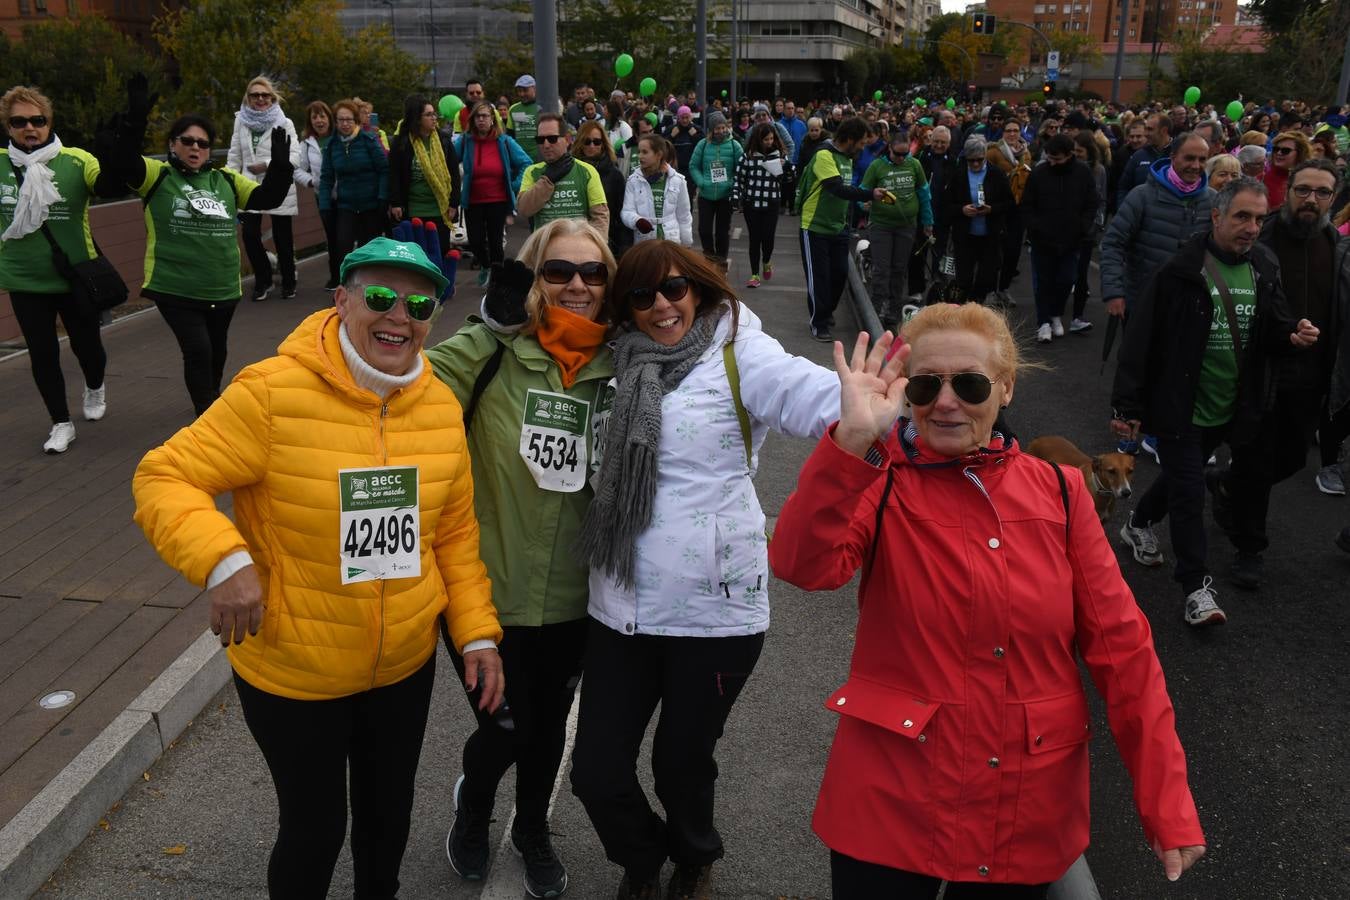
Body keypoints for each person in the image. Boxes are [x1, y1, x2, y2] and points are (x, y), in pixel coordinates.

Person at [769, 304, 1208, 897]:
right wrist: (851, 445)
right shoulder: (880, 478)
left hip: (1024, 808)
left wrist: (1166, 800)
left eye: (970, 384)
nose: (945, 401)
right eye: (926, 385)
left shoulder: (1061, 491)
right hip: (890, 805)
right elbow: (802, 566)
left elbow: (1124, 652)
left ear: (1004, 388)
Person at [131, 236, 504, 899]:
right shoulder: (272, 393)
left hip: (402, 665)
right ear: (342, 301)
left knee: (388, 820)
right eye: (381, 298)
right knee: (315, 827)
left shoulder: (441, 405)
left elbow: (451, 533)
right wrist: (224, 560)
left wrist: (476, 633)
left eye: (419, 304)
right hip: (295, 670)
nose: (399, 317)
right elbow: (166, 477)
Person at [568, 240, 839, 900]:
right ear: (625, 309)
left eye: (673, 289)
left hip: (714, 607)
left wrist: (877, 405)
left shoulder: (737, 346)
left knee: (680, 762)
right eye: (641, 296)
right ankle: (641, 854)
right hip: (620, 603)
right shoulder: (613, 358)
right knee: (596, 771)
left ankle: (693, 855)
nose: (661, 305)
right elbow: (545, 329)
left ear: (699, 288)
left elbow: (808, 396)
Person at [426, 219, 615, 897]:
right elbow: (403, 386)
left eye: (593, 274)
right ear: (531, 279)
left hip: (573, 596)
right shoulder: (491, 352)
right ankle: (474, 806)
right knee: (506, 730)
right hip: (485, 592)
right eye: (557, 271)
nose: (576, 285)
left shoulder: (622, 368)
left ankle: (532, 827)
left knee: (543, 735)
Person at [1112, 178, 1318, 627]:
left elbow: (1274, 324)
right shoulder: (1181, 269)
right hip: (1179, 404)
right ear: (1217, 217)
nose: (1251, 227)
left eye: (1259, 218)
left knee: (1180, 477)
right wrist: (1127, 407)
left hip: (1233, 405)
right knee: (1188, 492)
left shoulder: (1263, 264)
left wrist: (1292, 334)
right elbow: (1141, 339)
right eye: (1242, 216)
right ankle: (1195, 587)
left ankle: (1137, 524)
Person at [100, 104, 293, 415]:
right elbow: (125, 163)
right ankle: (206, 413)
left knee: (217, 351)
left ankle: (211, 398)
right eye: (187, 141)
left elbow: (267, 199)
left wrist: (282, 168)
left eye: (203, 143)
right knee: (198, 349)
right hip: (175, 285)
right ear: (173, 145)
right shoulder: (157, 175)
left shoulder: (225, 180)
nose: (195, 148)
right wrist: (135, 122)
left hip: (221, 287)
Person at [1208, 159, 1345, 588]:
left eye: (1322, 192)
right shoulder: (1260, 240)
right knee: (1256, 456)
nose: (1311, 199)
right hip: (1263, 372)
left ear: (1333, 198)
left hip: (1314, 377)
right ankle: (1250, 548)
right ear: (1288, 192)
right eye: (1303, 190)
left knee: (1289, 459)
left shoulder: (1336, 248)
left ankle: (1228, 483)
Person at [0, 84, 123, 453]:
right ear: (8, 127)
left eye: (37, 120)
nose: (29, 128)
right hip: (24, 278)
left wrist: (114, 150)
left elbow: (111, 187)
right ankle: (60, 423)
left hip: (74, 275)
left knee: (88, 348)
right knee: (42, 353)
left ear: (49, 121)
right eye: (19, 121)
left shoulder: (76, 160)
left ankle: (95, 384)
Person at [797, 117, 889, 341]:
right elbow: (837, 188)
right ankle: (819, 323)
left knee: (840, 274)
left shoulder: (848, 158)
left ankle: (826, 312)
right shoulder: (824, 155)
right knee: (819, 278)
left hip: (838, 227)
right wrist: (869, 194)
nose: (862, 148)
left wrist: (860, 202)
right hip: (815, 226)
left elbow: (849, 190)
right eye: (860, 143)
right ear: (849, 139)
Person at [227, 76, 302, 302]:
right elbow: (234, 155)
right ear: (247, 98)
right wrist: (228, 181)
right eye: (254, 95)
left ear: (272, 98)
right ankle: (264, 279)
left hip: (278, 185)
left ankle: (289, 280)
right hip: (249, 185)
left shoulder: (284, 122)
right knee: (249, 235)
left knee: (282, 238)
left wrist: (268, 165)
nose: (260, 99)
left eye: (264, 95)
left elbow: (296, 158)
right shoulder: (240, 121)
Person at [860, 128, 932, 329]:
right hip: (882, 225)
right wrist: (863, 203)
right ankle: (875, 309)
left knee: (899, 269)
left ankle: (893, 310)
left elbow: (924, 194)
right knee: (882, 269)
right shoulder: (877, 166)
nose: (901, 158)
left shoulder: (914, 165)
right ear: (889, 148)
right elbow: (863, 191)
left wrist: (928, 221)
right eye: (897, 154)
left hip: (906, 225)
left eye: (905, 153)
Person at [454, 100, 533, 284]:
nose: (481, 120)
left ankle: (496, 279)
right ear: (472, 120)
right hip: (473, 199)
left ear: (492, 119)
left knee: (496, 242)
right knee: (475, 241)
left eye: (485, 116)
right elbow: (448, 161)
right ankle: (485, 265)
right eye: (477, 117)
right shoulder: (465, 141)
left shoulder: (504, 141)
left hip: (498, 200)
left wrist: (513, 185)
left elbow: (526, 163)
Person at [387, 94, 463, 259]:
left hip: (439, 209)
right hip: (414, 209)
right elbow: (394, 174)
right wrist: (396, 202)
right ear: (416, 118)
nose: (434, 118)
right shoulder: (401, 142)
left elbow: (454, 173)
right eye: (428, 114)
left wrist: (454, 203)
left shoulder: (443, 140)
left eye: (434, 113)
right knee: (417, 257)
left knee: (439, 254)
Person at [945, 136, 1013, 305]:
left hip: (990, 235)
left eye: (979, 160)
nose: (975, 164)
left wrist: (992, 209)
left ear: (985, 156)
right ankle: (965, 308)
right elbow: (946, 204)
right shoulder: (958, 174)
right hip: (965, 235)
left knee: (986, 277)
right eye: (971, 161)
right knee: (964, 278)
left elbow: (1010, 203)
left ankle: (977, 304)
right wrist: (962, 210)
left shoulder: (996, 174)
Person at [320, 98, 389, 264]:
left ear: (355, 120)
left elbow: (384, 169)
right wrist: (324, 206)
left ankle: (370, 286)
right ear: (335, 122)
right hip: (346, 205)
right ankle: (346, 285)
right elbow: (326, 177)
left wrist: (382, 197)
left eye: (348, 119)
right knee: (342, 247)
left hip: (371, 204)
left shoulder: (368, 140)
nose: (345, 124)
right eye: (341, 120)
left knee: (370, 251)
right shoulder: (332, 146)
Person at [517, 113, 609, 233]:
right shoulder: (532, 172)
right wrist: (547, 180)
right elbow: (524, 210)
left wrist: (594, 248)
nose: (546, 145)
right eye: (540, 140)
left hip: (578, 247)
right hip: (545, 248)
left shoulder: (587, 171)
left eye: (552, 139)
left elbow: (601, 217)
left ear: (567, 139)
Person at [732, 122, 789, 289]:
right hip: (752, 203)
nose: (769, 142)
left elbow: (788, 180)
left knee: (768, 238)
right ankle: (754, 274)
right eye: (766, 139)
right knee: (754, 239)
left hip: (772, 202)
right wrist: (735, 197)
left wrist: (786, 167)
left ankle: (766, 261)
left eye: (771, 139)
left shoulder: (780, 156)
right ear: (758, 139)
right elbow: (739, 179)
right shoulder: (747, 157)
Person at [293, 100, 341, 290]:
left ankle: (350, 276)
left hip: (346, 195)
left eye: (322, 116)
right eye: (314, 117)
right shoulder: (305, 144)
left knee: (344, 237)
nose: (319, 121)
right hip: (322, 196)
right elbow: (297, 170)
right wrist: (311, 181)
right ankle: (335, 276)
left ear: (329, 118)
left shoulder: (339, 138)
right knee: (332, 236)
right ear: (310, 121)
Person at [688, 111, 743, 268]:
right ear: (711, 130)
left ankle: (721, 263)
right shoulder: (703, 144)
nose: (720, 131)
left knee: (722, 232)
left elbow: (742, 168)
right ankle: (709, 257)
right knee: (704, 230)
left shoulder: (734, 145)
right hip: (706, 194)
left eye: (723, 127)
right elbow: (693, 166)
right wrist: (701, 182)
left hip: (725, 196)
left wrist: (732, 183)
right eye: (717, 128)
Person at [988, 118, 1033, 307]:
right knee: (994, 251)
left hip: (1019, 208)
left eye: (1016, 130)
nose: (1013, 134)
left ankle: (1004, 289)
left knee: (1013, 251)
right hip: (998, 207)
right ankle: (990, 290)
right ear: (1003, 133)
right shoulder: (994, 152)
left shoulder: (1027, 152)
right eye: (1009, 130)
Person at [1068, 130, 1109, 333]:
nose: (1076, 154)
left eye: (1080, 151)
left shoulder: (1099, 171)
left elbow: (1102, 199)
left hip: (1087, 230)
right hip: (1068, 228)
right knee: (1065, 272)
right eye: (1074, 151)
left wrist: (1096, 224)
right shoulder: (1069, 168)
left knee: (1081, 274)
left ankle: (1078, 315)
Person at [622, 133, 693, 247]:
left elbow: (684, 216)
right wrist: (637, 221)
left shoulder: (678, 181)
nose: (640, 156)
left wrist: (686, 244)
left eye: (645, 152)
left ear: (659, 154)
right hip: (645, 242)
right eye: (639, 152)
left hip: (671, 242)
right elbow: (626, 212)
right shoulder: (633, 181)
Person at [576, 118, 633, 258]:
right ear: (580, 143)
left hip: (607, 241)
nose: (591, 145)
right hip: (575, 240)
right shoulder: (570, 171)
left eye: (596, 141)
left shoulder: (614, 175)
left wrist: (624, 247)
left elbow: (622, 213)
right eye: (587, 141)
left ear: (603, 144)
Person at [1117, 112, 1172, 200]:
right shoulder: (1138, 155)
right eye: (1145, 129)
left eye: (1150, 129)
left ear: (1164, 131)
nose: (1145, 133)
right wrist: (1124, 210)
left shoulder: (1180, 153)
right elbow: (1124, 188)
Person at [1262, 130, 1311, 209]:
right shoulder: (1261, 178)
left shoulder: (1308, 180)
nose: (1279, 153)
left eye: (1285, 151)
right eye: (1276, 149)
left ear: (1300, 153)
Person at [509, 75, 543, 163]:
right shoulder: (513, 109)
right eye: (519, 91)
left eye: (525, 90)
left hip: (539, 158)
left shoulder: (541, 107)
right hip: (519, 158)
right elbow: (510, 135)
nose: (522, 94)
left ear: (534, 88)